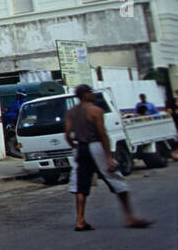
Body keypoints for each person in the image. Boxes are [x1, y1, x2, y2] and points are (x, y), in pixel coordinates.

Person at [64, 84, 152, 231]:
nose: (93, 94)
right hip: (95, 146)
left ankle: (80, 220)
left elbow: (67, 134)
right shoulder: (96, 110)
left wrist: (75, 147)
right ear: (84, 94)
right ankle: (130, 217)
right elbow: (102, 134)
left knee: (81, 185)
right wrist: (109, 157)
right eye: (90, 92)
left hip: (81, 148)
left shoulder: (71, 112)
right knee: (116, 180)